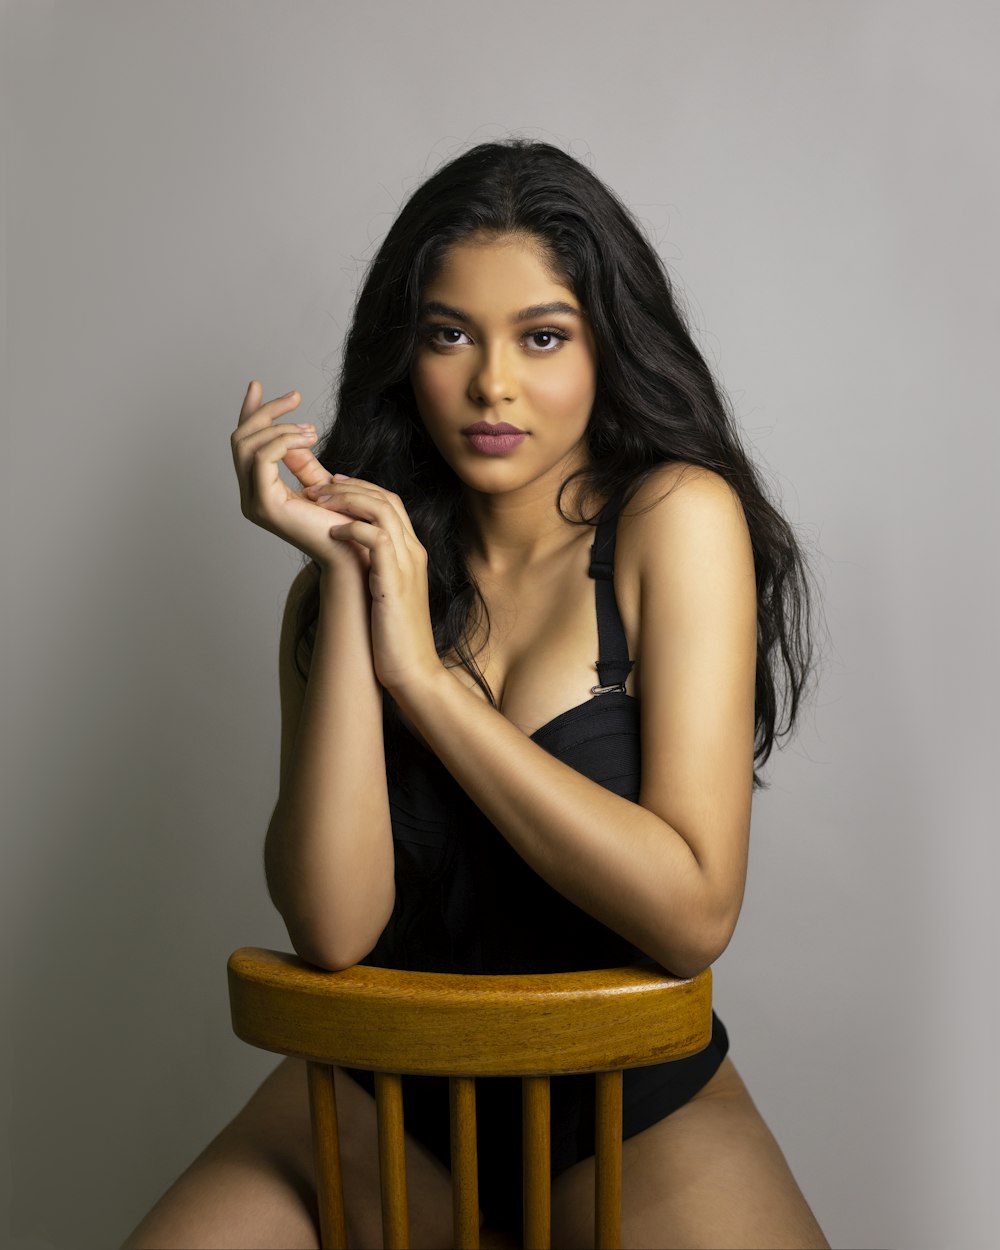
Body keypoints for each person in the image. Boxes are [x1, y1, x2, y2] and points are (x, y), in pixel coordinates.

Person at [124, 139, 828, 1249]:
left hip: (627, 1110)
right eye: (450, 333)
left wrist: (428, 679)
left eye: (541, 336)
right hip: (373, 1106)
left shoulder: (673, 519)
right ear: (407, 352)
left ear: (607, 346)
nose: (492, 384)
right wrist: (352, 586)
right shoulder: (353, 581)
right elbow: (333, 927)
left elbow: (692, 913)